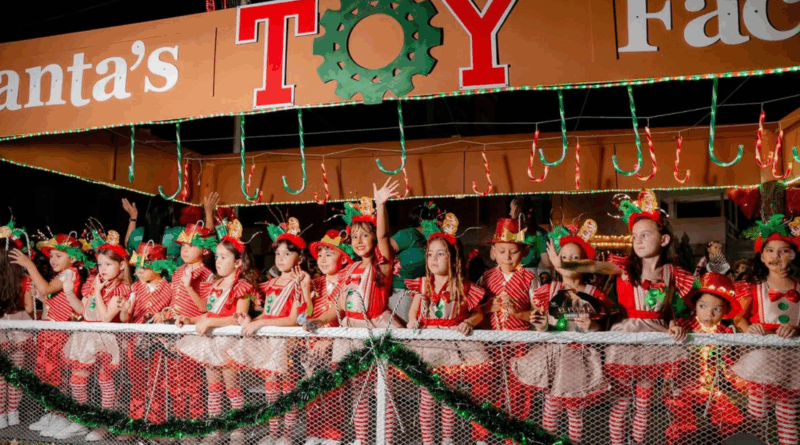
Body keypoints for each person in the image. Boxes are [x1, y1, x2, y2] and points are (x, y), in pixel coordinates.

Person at [561, 191, 692, 445]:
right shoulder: (621, 266)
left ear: (664, 239)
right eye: (635, 237)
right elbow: (582, 267)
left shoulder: (672, 273)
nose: (638, 241)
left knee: (644, 405)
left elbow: (670, 309)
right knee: (621, 404)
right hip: (625, 338)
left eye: (645, 235)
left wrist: (674, 322)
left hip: (655, 340)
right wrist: (564, 261)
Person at [511, 220, 612, 445]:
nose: (569, 262)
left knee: (574, 411)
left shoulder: (593, 293)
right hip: (552, 355)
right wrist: (539, 323)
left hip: (577, 357)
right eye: (564, 257)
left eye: (576, 258)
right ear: (557, 261)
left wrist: (591, 327)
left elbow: (601, 327)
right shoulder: (549, 291)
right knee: (551, 407)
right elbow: (544, 325)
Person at [328, 179, 402, 445]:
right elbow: (336, 307)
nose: (359, 241)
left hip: (376, 331)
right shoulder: (347, 270)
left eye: (365, 235)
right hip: (351, 332)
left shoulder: (381, 265)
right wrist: (314, 321)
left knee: (384, 391)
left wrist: (380, 205)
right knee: (359, 391)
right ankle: (362, 440)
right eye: (355, 235)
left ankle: (386, 440)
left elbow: (384, 236)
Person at [405, 213, 487, 445]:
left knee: (447, 396)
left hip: (451, 344)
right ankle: (429, 441)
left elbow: (479, 313)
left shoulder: (462, 285)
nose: (434, 259)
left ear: (452, 258)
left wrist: (468, 322)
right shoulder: (423, 283)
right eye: (430, 254)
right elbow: (414, 309)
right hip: (427, 343)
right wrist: (413, 321)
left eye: (440, 254)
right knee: (426, 397)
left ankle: (448, 439)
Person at [175, 219, 257, 445]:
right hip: (212, 343)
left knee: (232, 388)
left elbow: (238, 317)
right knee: (213, 389)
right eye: (217, 256)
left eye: (224, 257)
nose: (218, 261)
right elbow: (207, 312)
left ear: (238, 262)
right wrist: (189, 318)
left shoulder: (242, 286)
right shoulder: (215, 284)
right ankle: (216, 429)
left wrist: (210, 323)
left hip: (228, 345)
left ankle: (238, 429)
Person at [230, 219, 311, 445]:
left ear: (300, 259)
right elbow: (268, 313)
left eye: (287, 254)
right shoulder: (272, 283)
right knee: (271, 390)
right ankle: (275, 432)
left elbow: (294, 320)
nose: (281, 258)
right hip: (270, 343)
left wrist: (260, 324)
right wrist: (252, 319)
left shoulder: (300, 281)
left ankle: (287, 433)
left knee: (289, 391)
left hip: (288, 343)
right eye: (278, 254)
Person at [731, 215, 800, 445]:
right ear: (761, 256)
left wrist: (796, 328)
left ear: (794, 254)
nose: (776, 256)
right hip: (762, 359)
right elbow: (738, 318)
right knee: (756, 415)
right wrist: (750, 328)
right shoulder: (754, 286)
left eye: (784, 251)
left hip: (793, 361)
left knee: (788, 415)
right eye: (770, 251)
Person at [10, 234, 85, 438]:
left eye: (59, 255)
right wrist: (42, 298)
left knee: (56, 377)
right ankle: (53, 412)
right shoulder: (60, 275)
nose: (53, 259)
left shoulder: (69, 273)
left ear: (73, 258)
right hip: (48, 332)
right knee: (47, 376)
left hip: (58, 334)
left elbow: (46, 288)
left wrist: (29, 265)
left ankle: (63, 415)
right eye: (52, 255)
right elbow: (50, 298)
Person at [476, 217, 541, 444]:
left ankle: (514, 437)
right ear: (493, 251)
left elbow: (537, 314)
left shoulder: (530, 278)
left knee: (518, 390)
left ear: (522, 252)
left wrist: (518, 314)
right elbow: (474, 310)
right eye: (502, 251)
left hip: (519, 343)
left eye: (513, 251)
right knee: (486, 387)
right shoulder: (486, 277)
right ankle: (482, 436)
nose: (507, 256)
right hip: (491, 343)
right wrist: (486, 307)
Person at [64, 235, 131, 441]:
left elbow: (104, 318)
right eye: (100, 263)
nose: (102, 268)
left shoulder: (121, 289)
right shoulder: (96, 284)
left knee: (105, 381)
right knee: (77, 380)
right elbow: (83, 310)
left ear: (120, 266)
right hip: (85, 335)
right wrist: (69, 293)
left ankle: (105, 423)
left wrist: (99, 293)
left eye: (108, 264)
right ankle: (81, 420)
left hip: (104, 338)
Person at [665, 272, 743, 445]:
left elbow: (732, 362)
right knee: (685, 426)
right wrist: (686, 343)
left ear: (725, 311)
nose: (710, 313)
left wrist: (738, 379)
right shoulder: (684, 326)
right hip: (680, 389)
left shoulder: (724, 332)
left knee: (732, 418)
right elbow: (670, 357)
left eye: (717, 309)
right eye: (703, 307)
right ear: (695, 306)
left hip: (709, 389)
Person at [159, 221, 217, 428]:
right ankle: (177, 425)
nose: (185, 250)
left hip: (193, 334)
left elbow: (206, 310)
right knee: (173, 381)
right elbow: (174, 301)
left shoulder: (208, 275)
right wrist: (164, 311)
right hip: (173, 333)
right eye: (183, 246)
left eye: (190, 246)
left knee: (192, 383)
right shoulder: (176, 272)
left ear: (204, 249)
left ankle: (193, 426)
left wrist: (190, 286)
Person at [302, 230, 354, 445]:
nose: (322, 260)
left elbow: (350, 317)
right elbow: (304, 316)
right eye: (320, 254)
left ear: (342, 257)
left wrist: (329, 340)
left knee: (335, 392)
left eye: (329, 254)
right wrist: (305, 289)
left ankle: (333, 436)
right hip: (313, 346)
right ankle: (315, 433)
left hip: (340, 345)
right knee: (312, 390)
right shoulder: (315, 284)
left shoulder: (349, 282)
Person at [119, 243, 177, 424]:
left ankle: (155, 424)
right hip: (136, 342)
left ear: (158, 266)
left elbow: (174, 312)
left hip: (159, 344)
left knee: (157, 385)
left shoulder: (170, 288)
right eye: (137, 268)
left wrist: (165, 314)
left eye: (144, 268)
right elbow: (124, 318)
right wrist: (125, 311)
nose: (138, 272)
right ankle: (135, 423)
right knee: (137, 385)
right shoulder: (135, 288)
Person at [0, 228, 34, 430]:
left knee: (1, 376)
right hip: (20, 328)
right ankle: (13, 413)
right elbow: (29, 308)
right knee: (16, 375)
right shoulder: (25, 280)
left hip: (2, 329)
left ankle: (1, 415)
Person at [122, 192, 219, 260]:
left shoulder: (136, 234)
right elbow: (206, 242)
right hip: (171, 286)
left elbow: (128, 243)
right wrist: (209, 212)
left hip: (141, 286)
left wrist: (133, 217)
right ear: (171, 213)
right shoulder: (178, 233)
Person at [388, 203, 434, 323]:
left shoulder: (432, 239)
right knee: (404, 331)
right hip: (402, 291)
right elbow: (382, 255)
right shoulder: (408, 234)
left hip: (425, 292)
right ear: (423, 219)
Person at [510, 196, 551, 272]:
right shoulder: (541, 233)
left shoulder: (509, 233)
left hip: (519, 275)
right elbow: (547, 263)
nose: (510, 213)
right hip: (530, 274)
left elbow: (493, 256)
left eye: (511, 209)